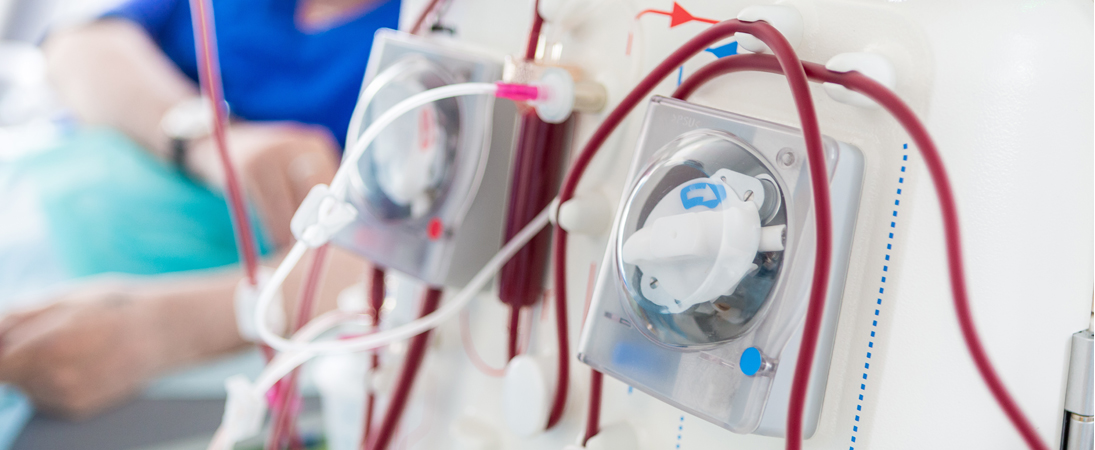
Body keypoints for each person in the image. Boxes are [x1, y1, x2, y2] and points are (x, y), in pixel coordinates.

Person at [0, 0, 401, 418]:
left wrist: (166, 330)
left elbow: (402, 264)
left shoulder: (429, 37)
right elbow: (79, 46)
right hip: (32, 195)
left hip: (133, 306)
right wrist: (211, 141)